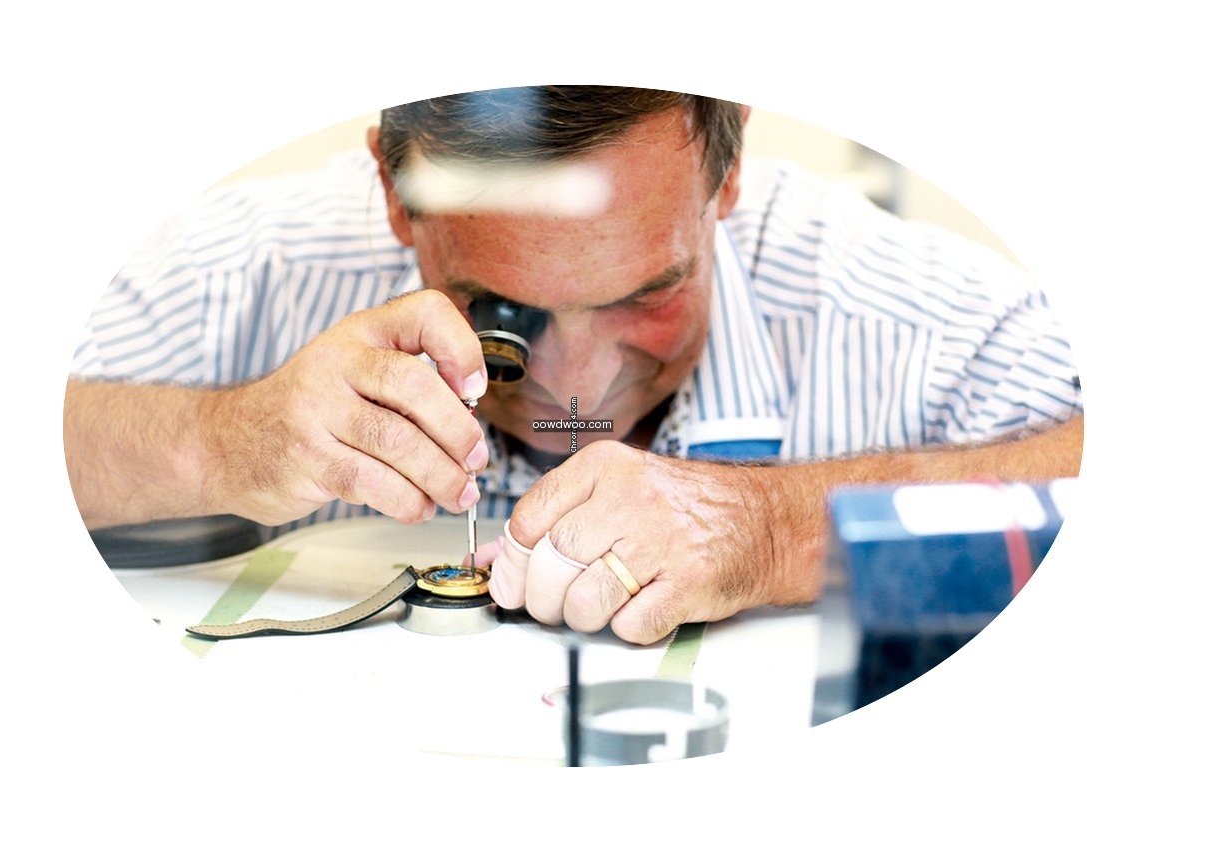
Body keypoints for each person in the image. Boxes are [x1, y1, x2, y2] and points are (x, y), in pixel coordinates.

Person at [65, 86, 1083, 645]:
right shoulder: (249, 269)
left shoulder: (894, 308)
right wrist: (219, 441)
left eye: (646, 294)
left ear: (726, 171)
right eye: (501, 310)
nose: (575, 387)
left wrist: (778, 528)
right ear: (394, 192)